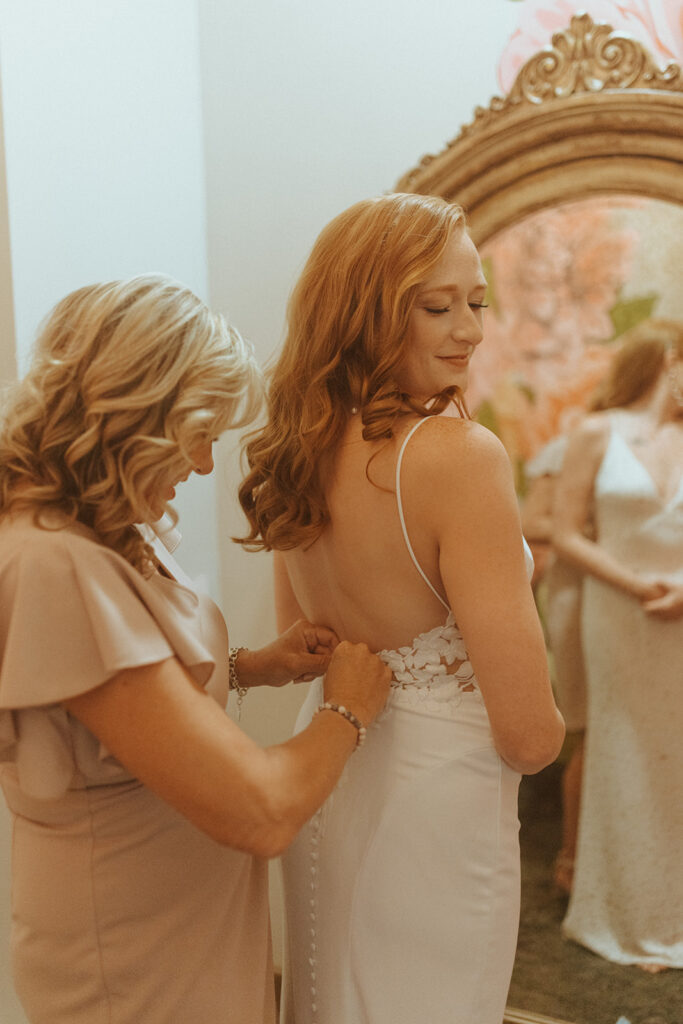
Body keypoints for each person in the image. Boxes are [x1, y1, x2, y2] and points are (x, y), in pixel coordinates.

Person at [0, 274, 391, 1024]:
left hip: (183, 926)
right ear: (141, 414)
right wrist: (346, 708)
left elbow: (108, 705)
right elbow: (263, 812)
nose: (207, 464)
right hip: (129, 948)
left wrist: (253, 666)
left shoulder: (107, 532)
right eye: (202, 432)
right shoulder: (52, 563)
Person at [238, 193, 565, 1024]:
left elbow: (308, 642)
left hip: (332, 767)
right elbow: (528, 739)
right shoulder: (460, 456)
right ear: (363, 315)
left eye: (476, 301)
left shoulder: (297, 445)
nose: (470, 330)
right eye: (436, 306)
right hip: (438, 804)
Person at [552, 319, 683, 971]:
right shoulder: (595, 433)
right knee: (622, 745)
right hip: (614, 608)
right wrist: (635, 583)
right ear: (668, 360)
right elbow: (565, 532)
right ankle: (623, 913)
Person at [522, 435, 586, 897]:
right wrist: (596, 529)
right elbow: (533, 522)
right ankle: (572, 856)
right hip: (581, 588)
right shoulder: (571, 444)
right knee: (594, 726)